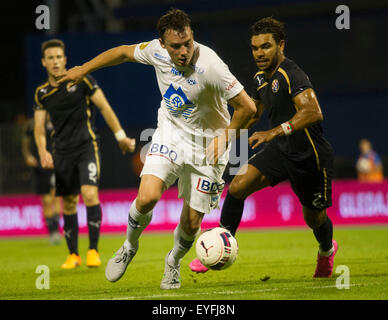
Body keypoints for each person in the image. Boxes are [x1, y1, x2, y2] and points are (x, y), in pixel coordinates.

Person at [58, 8, 256, 289]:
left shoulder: (211, 66)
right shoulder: (156, 52)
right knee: (147, 197)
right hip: (170, 136)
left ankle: (173, 262)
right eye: (176, 46)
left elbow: (248, 107)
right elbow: (124, 52)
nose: (184, 50)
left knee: (190, 223)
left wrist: (225, 138)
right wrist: (83, 69)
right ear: (163, 44)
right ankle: (129, 246)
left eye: (188, 42)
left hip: (209, 148)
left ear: (192, 37)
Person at [189, 17, 338, 278]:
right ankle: (222, 244)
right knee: (237, 187)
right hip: (280, 150)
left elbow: (313, 112)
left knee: (314, 218)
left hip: (309, 156)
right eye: (255, 48)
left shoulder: (292, 74)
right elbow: (254, 114)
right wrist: (226, 138)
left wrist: (274, 131)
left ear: (281, 45)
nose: (259, 53)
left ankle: (327, 250)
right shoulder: (260, 78)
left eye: (266, 46)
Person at [34, 39, 136, 269]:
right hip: (61, 153)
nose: (56, 61)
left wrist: (120, 137)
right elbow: (39, 128)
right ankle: (73, 255)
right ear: (44, 62)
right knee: (69, 203)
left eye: (59, 56)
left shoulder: (82, 81)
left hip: (86, 147)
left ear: (65, 59)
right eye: (51, 58)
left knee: (90, 195)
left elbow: (105, 107)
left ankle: (93, 251)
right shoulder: (42, 94)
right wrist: (42, 151)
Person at [22, 117, 62, 245]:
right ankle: (52, 232)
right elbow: (25, 143)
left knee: (56, 197)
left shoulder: (58, 121)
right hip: (40, 166)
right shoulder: (32, 124)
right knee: (46, 200)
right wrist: (28, 156)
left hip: (56, 165)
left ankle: (56, 231)